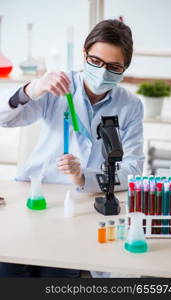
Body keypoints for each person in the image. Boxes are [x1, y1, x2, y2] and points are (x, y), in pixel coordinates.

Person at [0, 19, 144, 277]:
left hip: (82, 208)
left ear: (125, 69)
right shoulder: (58, 86)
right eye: (96, 61)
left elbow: (132, 170)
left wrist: (83, 177)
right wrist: (31, 89)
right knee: (8, 268)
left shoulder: (130, 106)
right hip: (37, 197)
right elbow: (3, 118)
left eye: (113, 67)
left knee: (57, 276)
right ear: (84, 55)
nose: (102, 72)